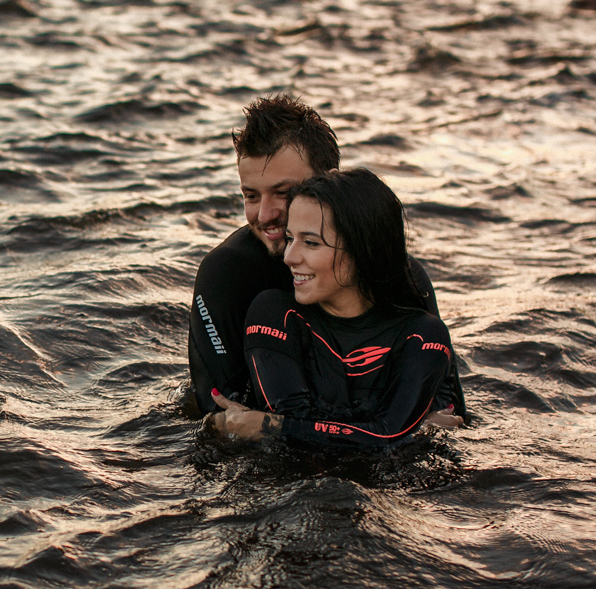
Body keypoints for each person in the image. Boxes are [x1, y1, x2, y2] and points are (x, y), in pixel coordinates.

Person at [187, 94, 465, 420]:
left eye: (284, 192)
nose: (265, 215)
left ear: (329, 182)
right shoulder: (227, 275)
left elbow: (447, 410)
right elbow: (225, 419)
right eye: (251, 195)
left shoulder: (403, 274)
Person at [208, 168, 463, 445]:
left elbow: (387, 433)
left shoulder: (424, 335)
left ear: (362, 250)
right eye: (290, 239)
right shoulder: (276, 315)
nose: (289, 257)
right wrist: (404, 430)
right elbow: (382, 433)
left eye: (311, 242)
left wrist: (267, 426)